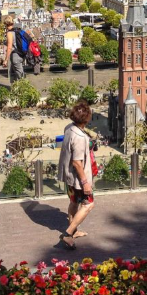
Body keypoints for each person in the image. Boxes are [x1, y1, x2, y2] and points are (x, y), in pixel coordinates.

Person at [57, 101, 97, 250]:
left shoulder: (69, 128)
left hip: (68, 176)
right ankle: (67, 234)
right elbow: (77, 163)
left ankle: (73, 230)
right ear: (86, 119)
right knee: (88, 204)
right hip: (78, 178)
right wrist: (86, 183)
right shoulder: (80, 137)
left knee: (74, 202)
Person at [3, 15, 25, 84]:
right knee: (16, 77)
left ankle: (22, 92)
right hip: (22, 55)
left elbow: (9, 48)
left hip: (15, 57)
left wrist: (6, 60)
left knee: (20, 78)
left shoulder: (9, 33)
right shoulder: (18, 30)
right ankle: (15, 91)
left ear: (6, 24)